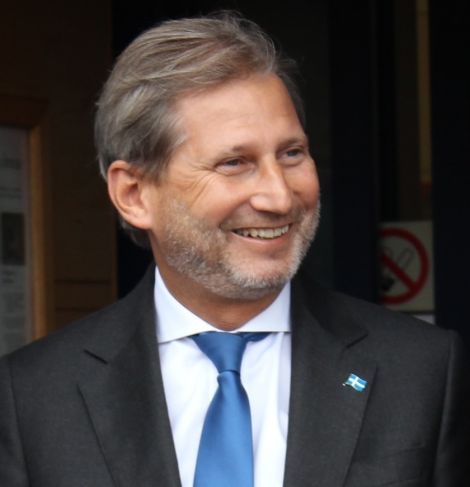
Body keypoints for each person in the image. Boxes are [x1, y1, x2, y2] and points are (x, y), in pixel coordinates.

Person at [0, 11, 468, 487]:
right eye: (234, 162)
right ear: (134, 195)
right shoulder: (34, 395)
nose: (280, 196)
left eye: (292, 154)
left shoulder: (421, 370)